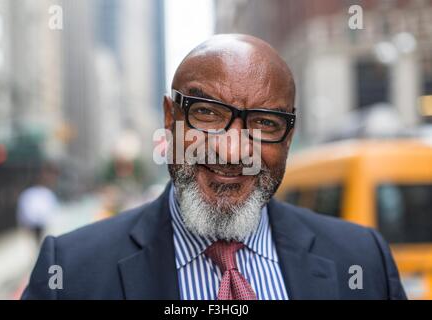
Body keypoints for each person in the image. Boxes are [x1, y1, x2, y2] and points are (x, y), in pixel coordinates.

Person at [22, 34, 406, 300]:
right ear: (169, 118)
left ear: (288, 137)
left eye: (264, 123)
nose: (233, 149)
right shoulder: (71, 273)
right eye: (206, 113)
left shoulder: (362, 259)